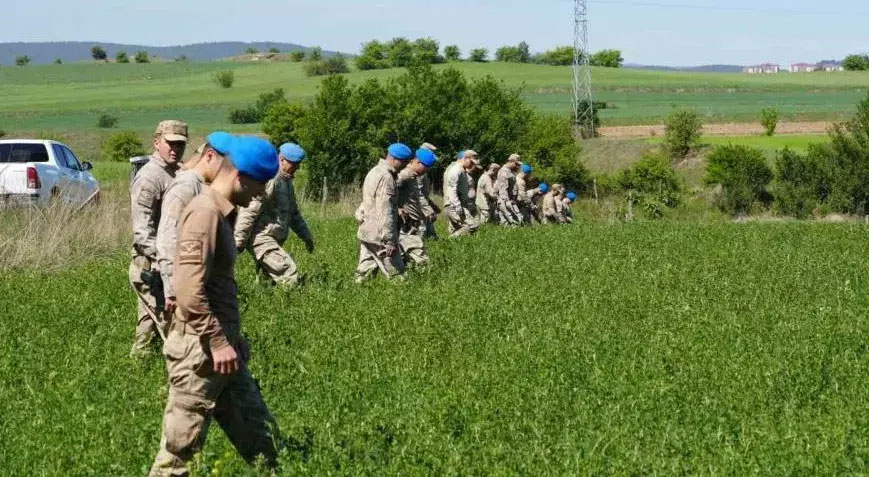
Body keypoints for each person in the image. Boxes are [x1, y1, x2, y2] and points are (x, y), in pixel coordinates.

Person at [149, 135, 281, 476]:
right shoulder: (204, 212)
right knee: (178, 455)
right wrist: (219, 341)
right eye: (260, 184)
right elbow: (189, 289)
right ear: (239, 177)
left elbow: (216, 285)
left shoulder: (223, 212)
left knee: (262, 441)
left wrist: (232, 341)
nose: (262, 194)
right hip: (200, 350)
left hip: (222, 352)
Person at [157, 132, 232, 320]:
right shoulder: (186, 186)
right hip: (180, 285)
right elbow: (168, 237)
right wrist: (172, 289)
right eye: (226, 166)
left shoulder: (202, 186)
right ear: (209, 156)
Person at [129, 120, 188, 357]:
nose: (175, 149)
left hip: (166, 262)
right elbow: (142, 232)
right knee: (170, 322)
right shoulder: (150, 177)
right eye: (170, 144)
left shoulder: (177, 173)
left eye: (180, 145)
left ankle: (138, 365)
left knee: (150, 321)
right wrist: (167, 259)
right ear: (156, 143)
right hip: (151, 264)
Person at [235, 142, 314, 288]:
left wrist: (306, 236)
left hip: (273, 238)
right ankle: (294, 307)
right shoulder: (271, 180)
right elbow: (250, 210)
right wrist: (238, 241)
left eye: (299, 164)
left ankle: (265, 306)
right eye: (294, 163)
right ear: (282, 159)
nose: (298, 167)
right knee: (288, 273)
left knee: (267, 284)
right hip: (261, 238)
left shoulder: (286, 181)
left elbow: (294, 214)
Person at [354, 143, 413, 282]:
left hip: (367, 230)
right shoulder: (386, 178)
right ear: (394, 159)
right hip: (379, 235)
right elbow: (385, 211)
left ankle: (356, 297)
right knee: (399, 276)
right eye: (404, 161)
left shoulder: (374, 171)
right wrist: (389, 241)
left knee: (365, 273)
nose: (405, 165)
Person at [396, 147, 437, 268]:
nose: (427, 170)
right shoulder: (405, 175)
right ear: (417, 162)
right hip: (405, 225)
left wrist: (428, 210)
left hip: (413, 224)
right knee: (422, 260)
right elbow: (389, 191)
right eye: (426, 166)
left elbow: (418, 196)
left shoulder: (413, 176)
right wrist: (397, 208)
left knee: (403, 258)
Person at [442, 150, 479, 237]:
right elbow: (452, 189)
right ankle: (450, 240)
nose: (472, 165)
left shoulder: (462, 170)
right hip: (453, 205)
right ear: (465, 158)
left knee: (457, 228)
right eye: (471, 162)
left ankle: (452, 244)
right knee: (471, 226)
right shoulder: (455, 170)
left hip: (459, 204)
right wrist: (457, 206)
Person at [419, 142, 441, 239]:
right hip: (419, 208)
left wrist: (431, 204)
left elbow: (424, 193)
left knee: (432, 235)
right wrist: (428, 210)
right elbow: (418, 194)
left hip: (424, 205)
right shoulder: (419, 172)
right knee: (421, 233)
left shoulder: (423, 171)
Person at [495, 154, 522, 226]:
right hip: (505, 201)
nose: (517, 166)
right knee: (515, 222)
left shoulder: (510, 171)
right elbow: (503, 188)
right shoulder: (504, 171)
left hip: (510, 200)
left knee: (516, 221)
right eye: (516, 164)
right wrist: (507, 201)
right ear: (511, 161)